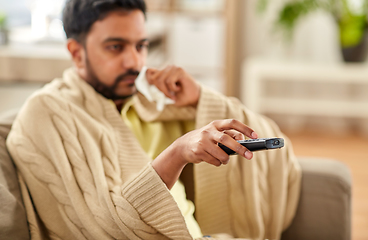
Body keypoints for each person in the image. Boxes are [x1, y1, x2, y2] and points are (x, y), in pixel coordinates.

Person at [6, 0, 301, 239]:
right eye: (115, 47)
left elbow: (276, 149)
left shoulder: (158, 104)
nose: (134, 61)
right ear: (76, 53)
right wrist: (178, 153)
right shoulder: (47, 113)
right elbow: (105, 228)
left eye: (140, 46)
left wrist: (200, 97)